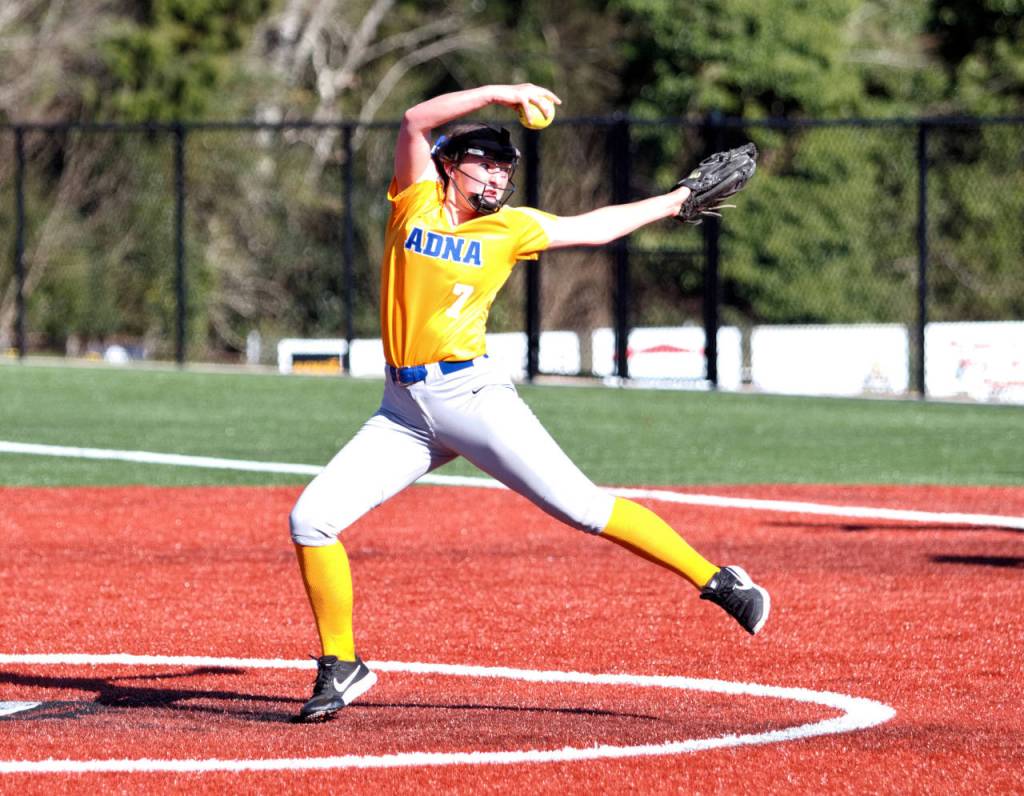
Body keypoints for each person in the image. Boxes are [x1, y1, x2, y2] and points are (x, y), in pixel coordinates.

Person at [289, 83, 769, 722]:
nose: (496, 172)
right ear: (446, 167)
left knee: (583, 508)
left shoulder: (512, 227)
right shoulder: (415, 203)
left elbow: (595, 229)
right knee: (311, 519)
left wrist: (677, 199)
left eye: (503, 164)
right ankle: (341, 664)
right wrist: (501, 94)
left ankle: (719, 581)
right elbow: (413, 118)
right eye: (483, 161)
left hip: (472, 395)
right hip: (403, 409)